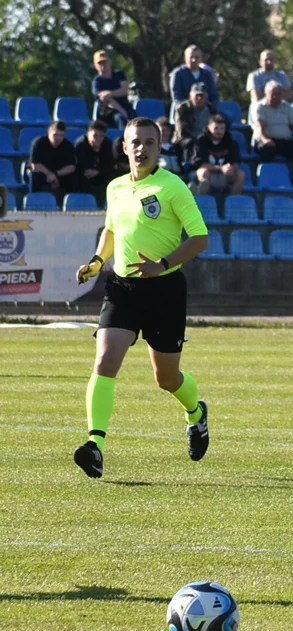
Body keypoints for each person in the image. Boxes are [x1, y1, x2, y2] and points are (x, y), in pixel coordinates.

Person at [72, 116, 212, 480]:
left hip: (164, 290)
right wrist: (97, 260)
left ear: (159, 146)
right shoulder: (116, 187)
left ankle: (196, 414)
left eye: (150, 142)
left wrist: (163, 264)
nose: (142, 148)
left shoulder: (173, 187)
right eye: (136, 142)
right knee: (104, 359)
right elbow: (111, 229)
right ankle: (95, 446)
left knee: (166, 378)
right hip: (122, 288)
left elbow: (199, 238)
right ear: (124, 146)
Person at [250, 81, 293, 163]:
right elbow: (260, 126)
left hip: (284, 142)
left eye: (278, 94)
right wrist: (265, 139)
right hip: (266, 141)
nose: (276, 96)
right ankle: (267, 174)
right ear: (266, 93)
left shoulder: (286, 106)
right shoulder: (260, 107)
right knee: (267, 150)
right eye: (273, 93)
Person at [187, 113, 244, 195]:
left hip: (225, 175)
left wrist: (232, 168)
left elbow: (236, 161)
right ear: (209, 127)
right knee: (202, 172)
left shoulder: (230, 141)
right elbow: (199, 164)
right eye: (216, 128)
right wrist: (221, 168)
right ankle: (206, 198)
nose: (219, 131)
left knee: (241, 174)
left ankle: (232, 201)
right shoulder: (201, 141)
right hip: (207, 174)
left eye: (222, 128)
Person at [29, 121, 79, 196]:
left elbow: (71, 167)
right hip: (43, 172)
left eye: (61, 135)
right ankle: (35, 200)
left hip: (59, 173)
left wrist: (55, 175)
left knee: (73, 178)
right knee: (35, 176)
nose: (58, 138)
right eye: (55, 135)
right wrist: (50, 175)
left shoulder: (68, 146)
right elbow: (35, 165)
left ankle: (70, 203)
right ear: (49, 132)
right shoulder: (39, 143)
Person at [75, 120, 117, 204]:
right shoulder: (81, 145)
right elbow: (79, 164)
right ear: (88, 134)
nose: (98, 139)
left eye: (101, 136)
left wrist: (98, 171)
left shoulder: (107, 143)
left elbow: (110, 163)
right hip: (83, 175)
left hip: (100, 173)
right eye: (95, 136)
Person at [91, 50, 135, 129]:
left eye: (105, 62)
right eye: (100, 63)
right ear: (95, 65)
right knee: (120, 118)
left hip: (127, 107)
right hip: (108, 112)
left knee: (137, 122)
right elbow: (107, 101)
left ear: (110, 62)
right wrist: (123, 112)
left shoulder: (119, 74)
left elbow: (124, 91)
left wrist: (109, 93)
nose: (103, 65)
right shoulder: (97, 82)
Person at [172, 83, 216, 148]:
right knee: (189, 143)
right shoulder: (183, 109)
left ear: (207, 96)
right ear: (190, 96)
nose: (199, 98)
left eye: (202, 96)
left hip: (206, 139)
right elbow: (181, 131)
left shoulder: (211, 109)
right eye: (197, 95)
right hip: (187, 139)